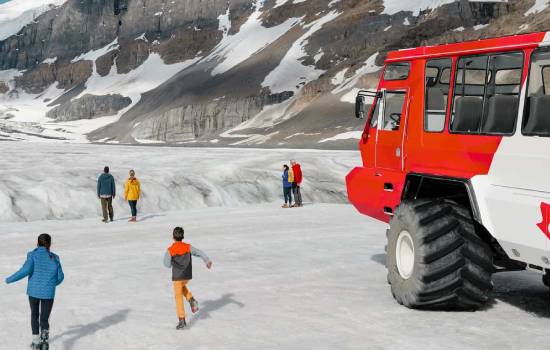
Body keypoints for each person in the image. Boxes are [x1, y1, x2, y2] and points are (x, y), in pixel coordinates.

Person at [5, 234, 64, 350]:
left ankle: (36, 342)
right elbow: (60, 277)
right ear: (50, 244)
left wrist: (9, 279)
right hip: (48, 293)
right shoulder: (55, 258)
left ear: (37, 243)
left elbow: (25, 270)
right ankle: (44, 342)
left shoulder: (32, 255)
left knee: (34, 315)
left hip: (33, 292)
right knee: (44, 318)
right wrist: (50, 284)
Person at [163, 227, 212, 330]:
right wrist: (207, 260)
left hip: (177, 276)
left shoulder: (170, 250)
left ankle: (182, 319)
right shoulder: (188, 247)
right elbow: (199, 252)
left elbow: (166, 265)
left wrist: (173, 261)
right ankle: (191, 300)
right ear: (182, 237)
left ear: (173, 237)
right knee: (181, 287)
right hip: (187, 275)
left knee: (178, 297)